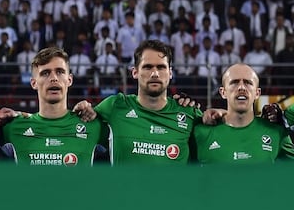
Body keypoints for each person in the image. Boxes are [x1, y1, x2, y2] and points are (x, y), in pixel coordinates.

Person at [73, 39, 203, 165]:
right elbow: (76, 128)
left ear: (170, 73)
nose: (155, 74)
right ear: (135, 72)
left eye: (161, 67)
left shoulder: (189, 113)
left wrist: (214, 114)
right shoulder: (115, 106)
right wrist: (82, 111)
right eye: (148, 67)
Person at [0, 47, 104, 166]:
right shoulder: (12, 127)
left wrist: (95, 111)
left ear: (69, 80)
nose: (54, 78)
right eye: (45, 73)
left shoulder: (93, 125)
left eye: (60, 72)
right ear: (34, 83)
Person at [194, 63, 294, 165]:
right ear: (223, 92)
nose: (241, 87)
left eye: (248, 83)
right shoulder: (201, 132)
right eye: (234, 82)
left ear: (257, 93)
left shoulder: (276, 132)